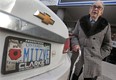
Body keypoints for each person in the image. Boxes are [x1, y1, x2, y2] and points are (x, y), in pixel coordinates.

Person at [70, 0, 112, 80]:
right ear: (90, 9)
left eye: (99, 7)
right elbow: (74, 35)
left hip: (94, 60)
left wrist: (99, 55)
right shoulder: (81, 21)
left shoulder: (106, 25)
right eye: (94, 6)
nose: (95, 9)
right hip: (78, 56)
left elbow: (108, 45)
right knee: (73, 77)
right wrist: (75, 44)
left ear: (101, 12)